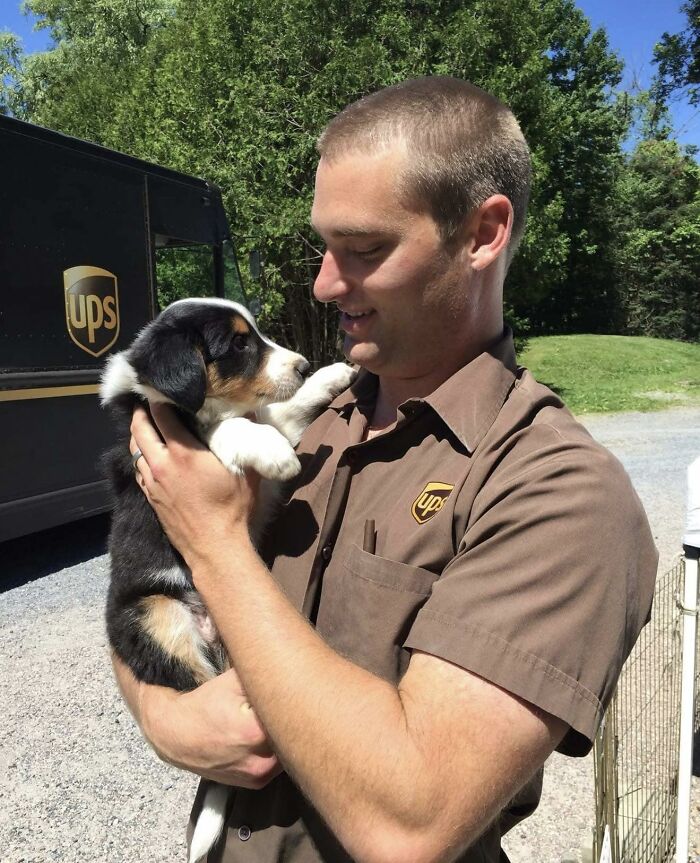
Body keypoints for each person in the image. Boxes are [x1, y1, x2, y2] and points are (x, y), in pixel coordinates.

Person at [114, 77, 658, 863]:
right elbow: (134, 582)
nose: (324, 284)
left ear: (483, 234)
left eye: (365, 250)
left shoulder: (559, 491)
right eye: (324, 248)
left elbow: (409, 825)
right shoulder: (306, 418)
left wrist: (215, 543)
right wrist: (162, 714)